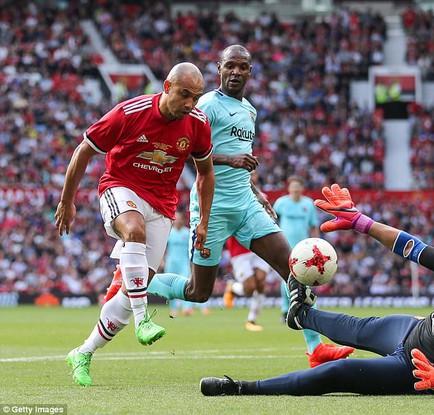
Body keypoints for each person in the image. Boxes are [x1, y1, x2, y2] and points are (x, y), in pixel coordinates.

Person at [143, 45, 354, 367]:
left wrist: (257, 192)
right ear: (219, 68)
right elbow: (183, 150)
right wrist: (230, 159)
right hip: (211, 209)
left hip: (245, 205)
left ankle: (315, 348)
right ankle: (135, 281)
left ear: (250, 71)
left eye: (243, 66)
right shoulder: (207, 106)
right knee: (199, 292)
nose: (236, 72)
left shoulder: (250, 111)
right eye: (230, 65)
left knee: (295, 270)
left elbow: (241, 162)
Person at [199, 184, 434, 397]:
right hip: (412, 329)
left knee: (338, 372)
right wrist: (360, 221)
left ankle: (241, 388)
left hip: (415, 367)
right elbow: (411, 246)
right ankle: (300, 314)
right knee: (355, 326)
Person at [55, 62, 215, 386]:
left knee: (132, 289)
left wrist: (203, 221)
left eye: (196, 98)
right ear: (167, 87)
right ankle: (144, 321)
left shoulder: (197, 124)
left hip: (163, 205)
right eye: (185, 95)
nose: (190, 104)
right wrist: (66, 201)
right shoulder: (130, 112)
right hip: (120, 186)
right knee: (134, 230)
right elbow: (84, 150)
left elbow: (206, 172)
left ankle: (83, 352)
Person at [273, 176, 342, 365]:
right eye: (292, 186)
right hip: (285, 247)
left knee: (300, 281)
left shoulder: (307, 204)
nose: (295, 189)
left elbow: (313, 226)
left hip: (304, 249)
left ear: (302, 188)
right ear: (289, 188)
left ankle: (306, 327)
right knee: (286, 280)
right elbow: (274, 223)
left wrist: (317, 244)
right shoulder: (281, 203)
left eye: (298, 186)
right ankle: (286, 310)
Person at [166, 211, 210, 317]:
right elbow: (164, 248)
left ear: (183, 220)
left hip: (184, 262)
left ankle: (187, 308)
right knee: (170, 286)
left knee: (187, 285)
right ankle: (173, 308)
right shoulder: (169, 232)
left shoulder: (187, 233)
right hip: (171, 262)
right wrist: (162, 261)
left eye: (180, 218)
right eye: (176, 218)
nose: (178, 221)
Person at [223, 236, 269, 331]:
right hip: (239, 250)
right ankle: (232, 287)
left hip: (258, 245)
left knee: (261, 282)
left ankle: (251, 320)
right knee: (250, 288)